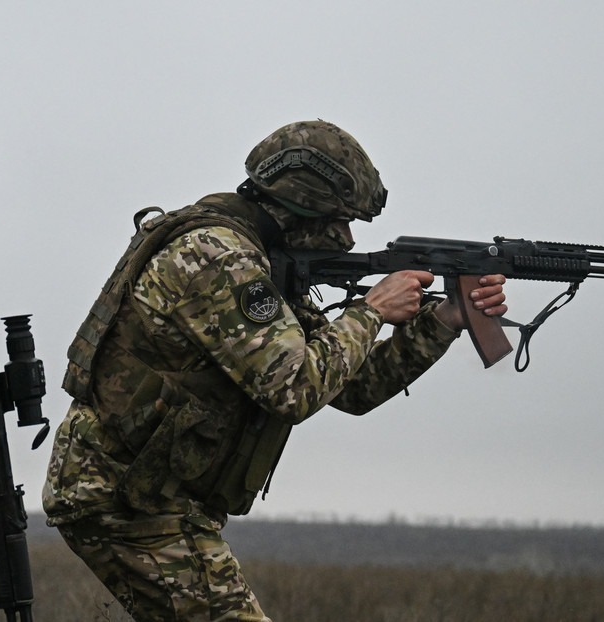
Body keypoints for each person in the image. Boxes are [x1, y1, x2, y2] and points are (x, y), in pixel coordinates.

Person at [43, 120, 509, 621]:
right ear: (302, 206)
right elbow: (294, 389)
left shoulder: (258, 262)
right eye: (339, 221)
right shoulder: (218, 257)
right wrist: (370, 311)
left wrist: (445, 320)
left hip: (149, 495)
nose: (348, 239)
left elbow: (352, 388)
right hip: (122, 500)